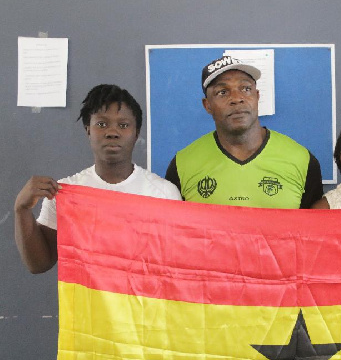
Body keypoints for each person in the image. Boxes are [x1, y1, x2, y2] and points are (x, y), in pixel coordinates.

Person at [14, 84, 182, 274]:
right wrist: (22, 210)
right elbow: (39, 264)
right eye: (102, 124)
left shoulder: (163, 193)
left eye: (123, 125)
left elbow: (174, 268)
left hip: (144, 303)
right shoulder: (64, 194)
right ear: (88, 130)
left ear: (136, 133)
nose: (112, 132)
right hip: (85, 304)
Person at [165, 56, 323, 208]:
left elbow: (313, 232)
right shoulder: (182, 164)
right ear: (207, 106)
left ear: (257, 96)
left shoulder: (301, 160)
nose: (237, 98)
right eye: (222, 92)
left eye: (246, 89)